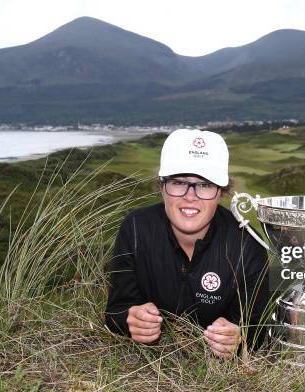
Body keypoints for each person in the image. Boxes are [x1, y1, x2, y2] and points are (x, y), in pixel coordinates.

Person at [104, 128, 270, 358]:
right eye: (179, 182)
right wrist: (130, 320)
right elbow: (116, 311)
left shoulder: (248, 244)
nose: (190, 196)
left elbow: (259, 330)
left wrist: (240, 338)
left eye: (204, 184)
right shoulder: (135, 229)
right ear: (162, 186)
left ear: (221, 192)